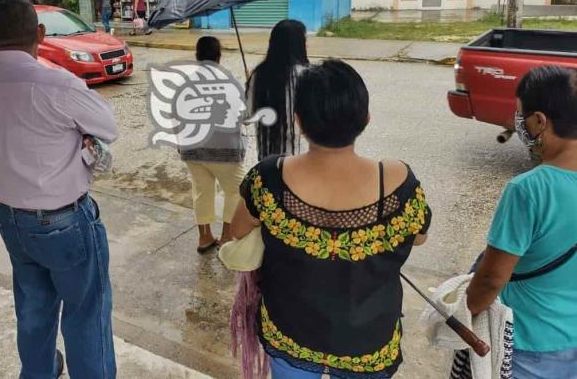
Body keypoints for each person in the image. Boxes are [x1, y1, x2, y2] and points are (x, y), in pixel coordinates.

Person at [232, 59, 431, 378]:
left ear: (298, 121)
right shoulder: (396, 180)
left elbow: (237, 230)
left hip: (290, 334)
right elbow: (419, 236)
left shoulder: (269, 177)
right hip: (368, 343)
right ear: (365, 117)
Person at [0, 0, 118, 379]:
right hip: (63, 221)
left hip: (9, 218)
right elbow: (108, 128)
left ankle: (39, 372)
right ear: (40, 34)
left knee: (33, 307)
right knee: (86, 312)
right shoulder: (57, 84)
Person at [467, 65, 577, 378]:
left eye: (521, 115)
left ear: (540, 121)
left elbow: (490, 279)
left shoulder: (529, 189)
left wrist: (463, 312)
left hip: (530, 341)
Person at [180, 36, 246, 253]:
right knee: (236, 190)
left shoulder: (185, 83)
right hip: (224, 150)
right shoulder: (229, 81)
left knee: (201, 192)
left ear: (197, 56)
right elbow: (244, 115)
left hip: (193, 150)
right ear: (219, 55)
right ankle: (226, 236)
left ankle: (204, 237)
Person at [246, 19, 309, 160]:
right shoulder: (308, 75)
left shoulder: (259, 74)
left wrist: (251, 85)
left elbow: (248, 114)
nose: (307, 44)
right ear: (298, 44)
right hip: (300, 154)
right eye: (304, 40)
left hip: (268, 154)